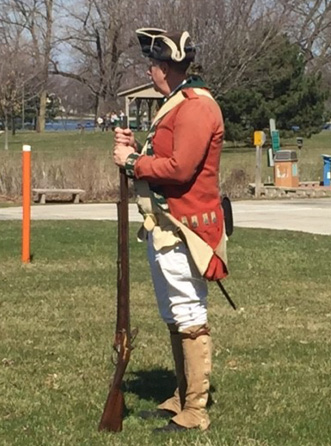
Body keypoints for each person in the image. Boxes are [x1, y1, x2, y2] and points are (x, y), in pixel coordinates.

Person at [113, 27, 228, 433]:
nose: (150, 70)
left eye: (153, 64)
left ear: (165, 67)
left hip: (186, 228)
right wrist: (135, 149)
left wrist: (132, 163)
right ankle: (182, 397)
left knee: (189, 314)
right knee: (174, 313)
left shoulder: (196, 107)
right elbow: (165, 156)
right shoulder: (177, 104)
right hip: (166, 226)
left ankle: (195, 410)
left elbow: (180, 169)